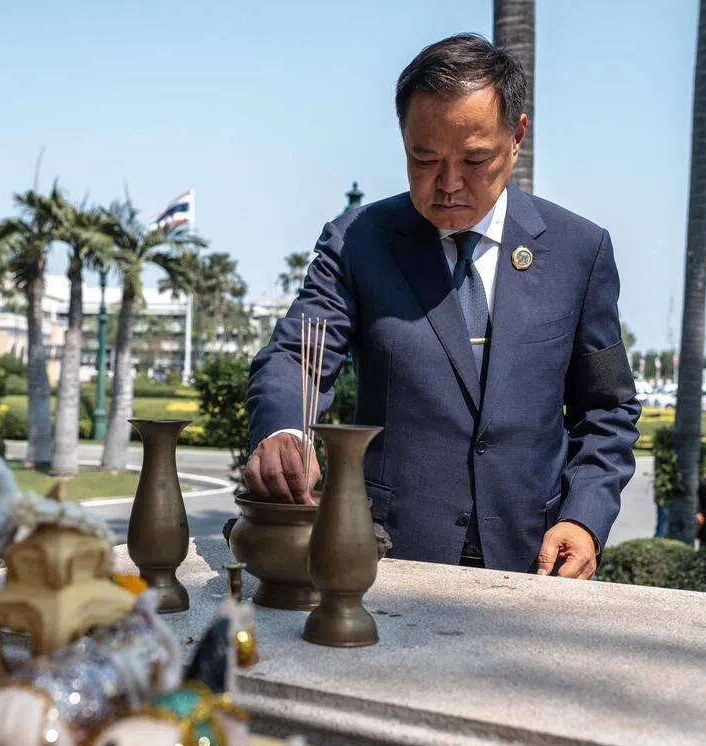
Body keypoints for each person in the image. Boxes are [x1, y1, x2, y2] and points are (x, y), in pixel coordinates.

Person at [243, 33, 640, 579]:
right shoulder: (358, 242)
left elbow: (607, 409)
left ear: (517, 137)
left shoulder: (579, 251)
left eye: (475, 159)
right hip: (385, 558)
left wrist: (585, 517)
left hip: (535, 562)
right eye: (424, 159)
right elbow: (298, 356)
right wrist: (283, 431)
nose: (448, 184)